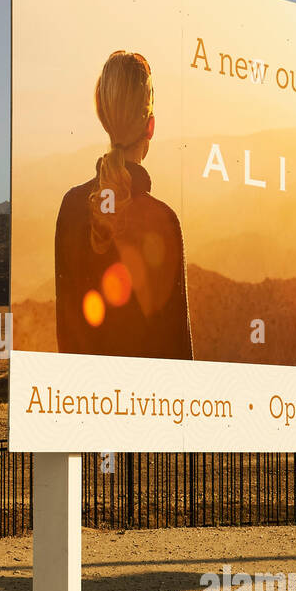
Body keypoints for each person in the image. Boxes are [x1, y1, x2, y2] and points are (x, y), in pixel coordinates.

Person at [54, 50, 193, 359]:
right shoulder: (163, 221)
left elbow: (67, 335)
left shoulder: (72, 208)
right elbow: (177, 352)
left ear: (103, 117)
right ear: (151, 127)